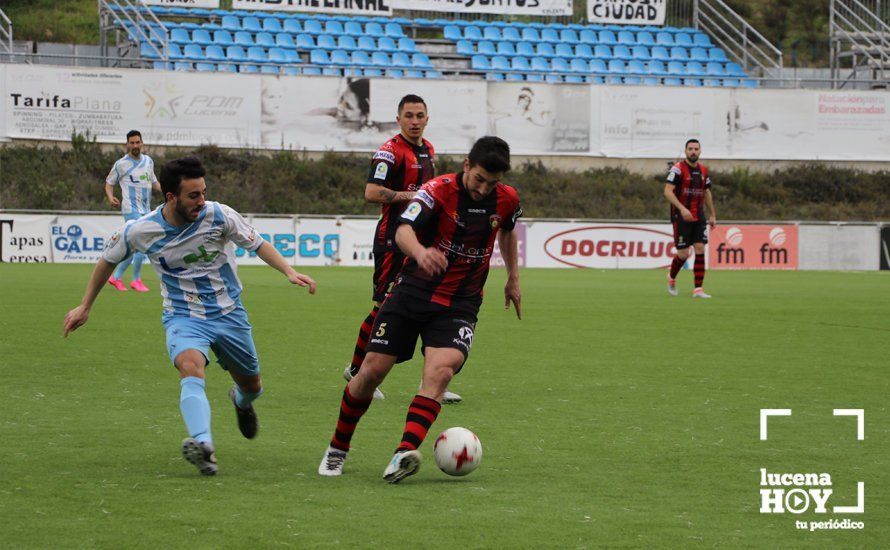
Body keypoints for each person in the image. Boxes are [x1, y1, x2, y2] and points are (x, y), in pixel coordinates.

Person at [63, 157, 316, 476]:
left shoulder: (220, 215)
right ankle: (204, 446)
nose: (202, 201)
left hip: (229, 312)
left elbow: (258, 244)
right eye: (193, 195)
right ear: (171, 197)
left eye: (203, 192)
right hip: (183, 316)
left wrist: (289, 271)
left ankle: (241, 401)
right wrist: (85, 305)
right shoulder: (141, 231)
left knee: (253, 385)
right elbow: (106, 261)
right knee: (190, 365)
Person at [319, 136, 523, 483]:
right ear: (466, 166)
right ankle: (338, 448)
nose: (483, 189)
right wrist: (420, 253)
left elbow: (507, 230)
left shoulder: (507, 198)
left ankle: (403, 453)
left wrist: (512, 278)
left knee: (441, 373)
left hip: (460, 302)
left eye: (492, 182)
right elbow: (403, 231)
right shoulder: (437, 190)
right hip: (412, 293)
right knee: (370, 373)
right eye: (478, 179)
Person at [342, 93, 462, 404]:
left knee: (432, 305)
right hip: (392, 242)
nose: (414, 121)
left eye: (419, 115)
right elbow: (371, 192)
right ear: (398, 119)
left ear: (427, 117)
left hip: (422, 243)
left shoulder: (428, 149)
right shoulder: (389, 152)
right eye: (408, 116)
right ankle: (357, 370)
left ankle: (434, 380)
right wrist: (411, 196)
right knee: (384, 306)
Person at [104, 130, 161, 292]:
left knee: (136, 245)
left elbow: (154, 181)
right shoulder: (121, 164)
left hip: (146, 209)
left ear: (142, 143)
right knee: (141, 243)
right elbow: (109, 183)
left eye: (137, 142)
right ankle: (132, 279)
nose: (135, 145)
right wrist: (110, 197)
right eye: (132, 143)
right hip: (130, 209)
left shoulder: (149, 162)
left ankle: (119, 277)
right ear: (127, 144)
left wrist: (169, 192)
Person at [664, 139, 717, 298]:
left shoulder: (703, 171)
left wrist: (713, 214)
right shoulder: (678, 169)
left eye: (696, 149)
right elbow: (667, 192)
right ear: (685, 151)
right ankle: (671, 277)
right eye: (690, 149)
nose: (693, 151)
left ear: (700, 151)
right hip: (681, 217)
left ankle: (698, 290)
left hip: (699, 216)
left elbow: (707, 193)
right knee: (683, 254)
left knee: (700, 248)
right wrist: (682, 209)